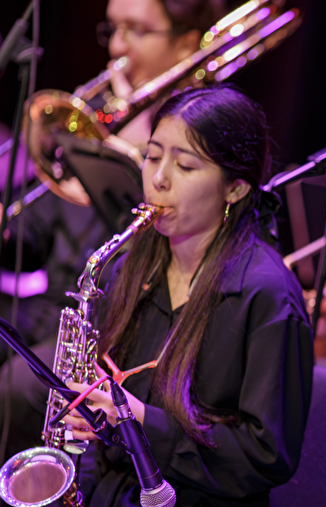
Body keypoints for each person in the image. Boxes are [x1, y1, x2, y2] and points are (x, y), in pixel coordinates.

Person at [52, 84, 312, 507]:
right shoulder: (128, 266)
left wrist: (141, 421)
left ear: (235, 188)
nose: (158, 180)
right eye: (152, 158)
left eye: (186, 166)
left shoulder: (267, 294)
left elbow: (266, 457)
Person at [0, 0, 226, 461]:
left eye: (137, 30)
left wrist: (139, 154)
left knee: (15, 386)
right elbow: (32, 239)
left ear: (187, 42)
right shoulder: (95, 118)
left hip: (125, 325)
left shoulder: (209, 138)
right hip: (55, 308)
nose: (118, 47)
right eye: (114, 29)